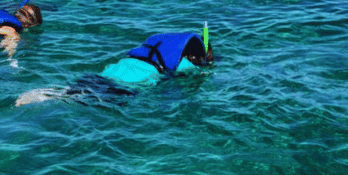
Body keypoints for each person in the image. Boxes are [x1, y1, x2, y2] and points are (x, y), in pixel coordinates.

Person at [16, 30, 214, 106]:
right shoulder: (185, 64)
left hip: (112, 71)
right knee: (83, 101)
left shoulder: (159, 45)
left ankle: (49, 93)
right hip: (127, 85)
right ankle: (50, 97)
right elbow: (196, 74)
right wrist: (209, 64)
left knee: (76, 92)